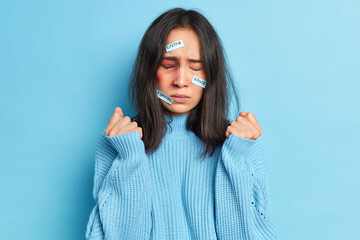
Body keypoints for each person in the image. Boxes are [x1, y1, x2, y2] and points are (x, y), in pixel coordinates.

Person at [85, 7, 277, 240]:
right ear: (149, 70)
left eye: (196, 67)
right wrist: (129, 157)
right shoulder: (117, 144)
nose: (181, 81)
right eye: (168, 65)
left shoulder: (240, 144)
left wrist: (235, 158)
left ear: (210, 75)